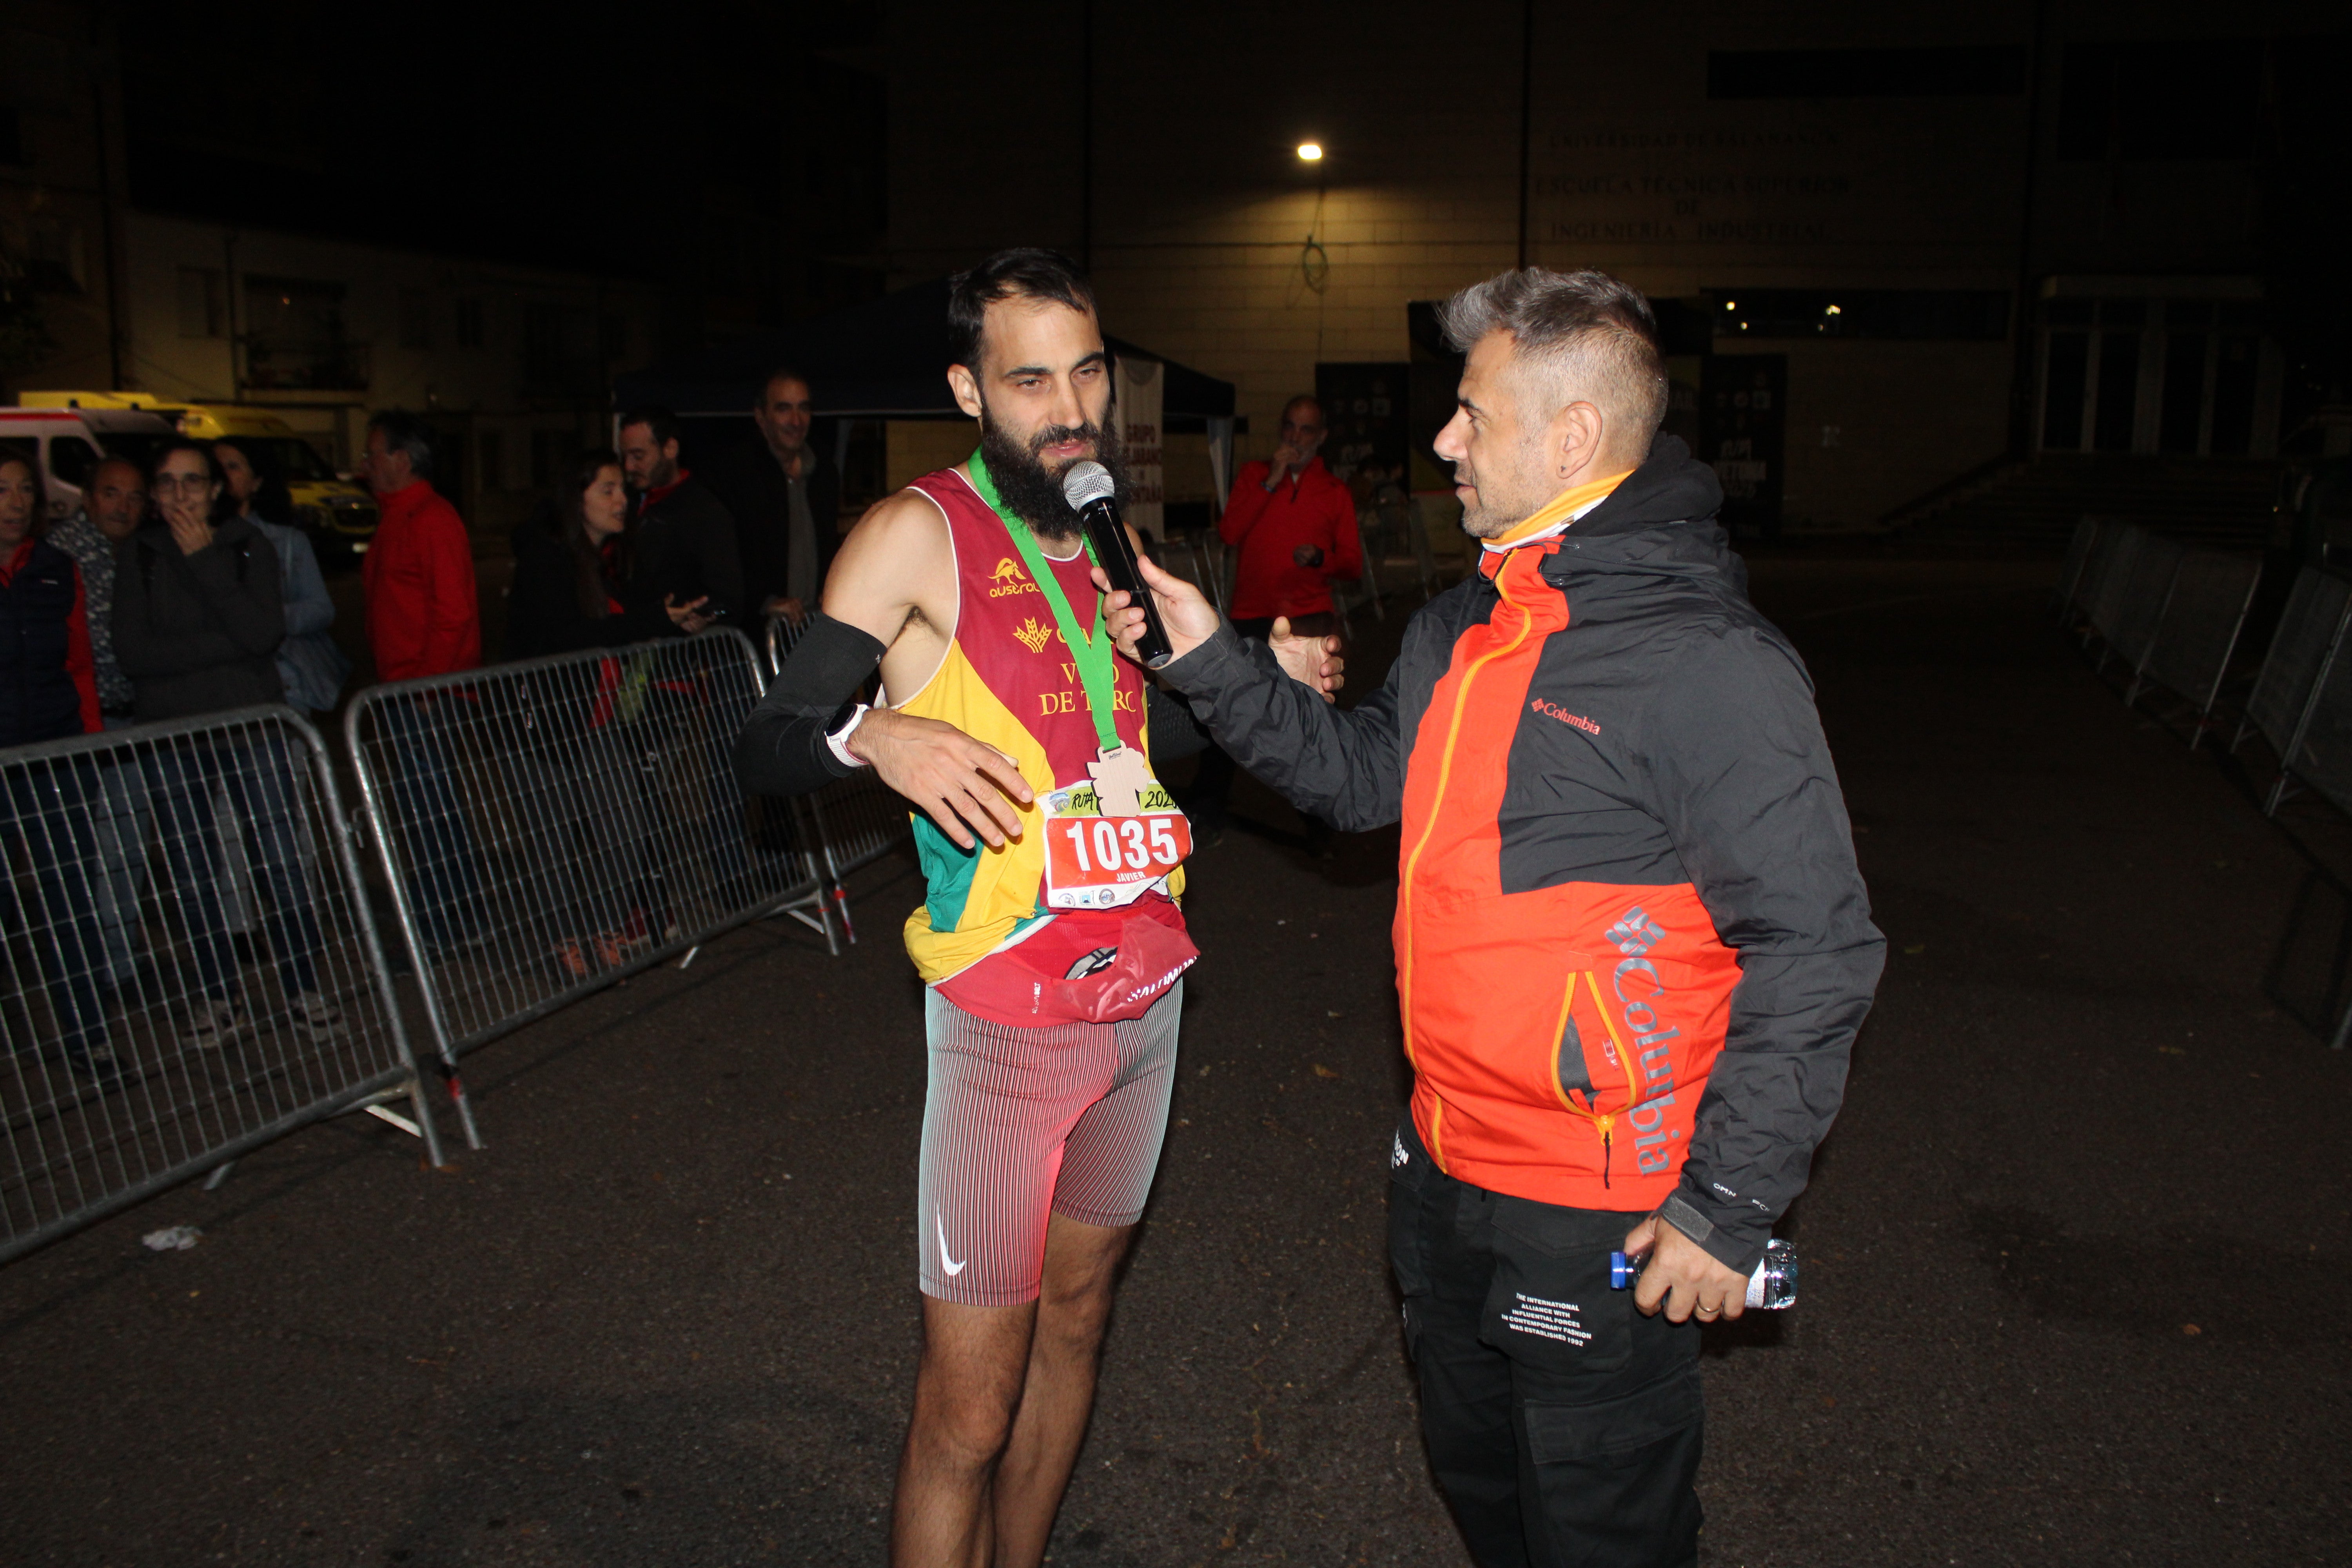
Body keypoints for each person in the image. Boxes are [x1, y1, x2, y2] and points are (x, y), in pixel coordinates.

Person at [1101, 267, 1884, 1568]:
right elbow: (1363, 786)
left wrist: (1728, 1206)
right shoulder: (1467, 623)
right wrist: (1206, 661)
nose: (1445, 442)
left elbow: (1817, 941)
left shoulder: (1707, 662)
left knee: (1601, 1531)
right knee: (1484, 1491)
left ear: (1573, 437)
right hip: (1442, 1170)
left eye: (1472, 414)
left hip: (1604, 1207)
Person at [734, 249, 1336, 1568]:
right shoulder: (914, 533)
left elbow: (1137, 757)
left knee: (1080, 1324)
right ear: (967, 388)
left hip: (1146, 1006)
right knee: (967, 1404)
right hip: (1009, 1022)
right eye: (1028, 379)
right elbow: (768, 742)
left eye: (1087, 371)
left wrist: (1240, 675)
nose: (1068, 406)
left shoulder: (1113, 533)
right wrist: (872, 741)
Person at [115, 439, 345, 1048]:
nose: (180, 495)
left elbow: (262, 632)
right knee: (193, 871)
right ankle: (219, 995)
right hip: (171, 732)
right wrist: (222, 647)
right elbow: (135, 654)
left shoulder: (247, 545)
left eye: (193, 481)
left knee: (280, 859)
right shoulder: (139, 554)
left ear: (217, 490)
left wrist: (206, 563)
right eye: (166, 483)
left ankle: (303, 986)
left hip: (252, 727)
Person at [502, 450, 702, 978]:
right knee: (555, 840)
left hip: (595, 721)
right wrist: (648, 622)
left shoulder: (600, 559)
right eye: (608, 490)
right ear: (578, 498)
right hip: (546, 727)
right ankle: (563, 940)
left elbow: (617, 620)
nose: (623, 501)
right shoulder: (547, 560)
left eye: (623, 490)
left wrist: (660, 618)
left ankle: (607, 926)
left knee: (624, 828)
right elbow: (566, 638)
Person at [1187, 396, 1363, 841]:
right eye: (1290, 428)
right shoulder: (1254, 476)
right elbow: (1229, 533)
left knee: (1313, 722)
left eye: (1306, 430)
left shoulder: (1335, 492)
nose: (1296, 438)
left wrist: (1321, 558)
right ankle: (1207, 810)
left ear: (1321, 437)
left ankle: (1324, 822)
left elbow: (1353, 564)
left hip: (1308, 620)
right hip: (1250, 616)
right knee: (1227, 712)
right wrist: (1270, 481)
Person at [0, 450, 118, 1080]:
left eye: (25, 490)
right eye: (3, 490)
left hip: (53, 756)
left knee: (70, 899)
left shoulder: (56, 569)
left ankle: (89, 1036)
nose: (16, 502)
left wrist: (88, 745)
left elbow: (79, 667)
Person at [359, 410, 486, 958]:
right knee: (426, 810)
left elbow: (452, 614)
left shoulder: (431, 519)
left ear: (402, 460)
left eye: (373, 453)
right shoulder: (398, 519)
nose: (365, 464)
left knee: (431, 812)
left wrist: (427, 690)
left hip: (423, 693)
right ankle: (452, 916)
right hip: (408, 691)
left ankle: (445, 923)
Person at [47, 457, 154, 996]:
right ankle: (85, 970)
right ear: (89, 498)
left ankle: (116, 966)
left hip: (130, 725)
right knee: (78, 854)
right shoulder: (65, 553)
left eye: (135, 497)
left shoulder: (141, 552)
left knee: (126, 848)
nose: (123, 507)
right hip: (81, 728)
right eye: (112, 494)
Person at [700, 368, 842, 634]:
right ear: (761, 416)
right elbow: (721, 558)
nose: (796, 420)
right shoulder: (734, 475)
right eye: (784, 409)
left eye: (804, 408)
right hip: (758, 634)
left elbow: (830, 543)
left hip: (814, 629)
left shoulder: (824, 472)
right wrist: (763, 603)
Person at [216, 437, 349, 715]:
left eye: (233, 467)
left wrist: (269, 618)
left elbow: (321, 609)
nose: (224, 475)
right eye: (216, 467)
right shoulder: (194, 543)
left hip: (282, 687)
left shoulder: (287, 542)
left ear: (257, 482)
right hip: (219, 690)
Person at [617, 405, 746, 626]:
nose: (629, 466)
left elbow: (728, 595)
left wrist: (701, 616)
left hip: (678, 652)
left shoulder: (705, 511)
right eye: (625, 457)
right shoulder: (625, 502)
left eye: (638, 456)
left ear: (670, 449)